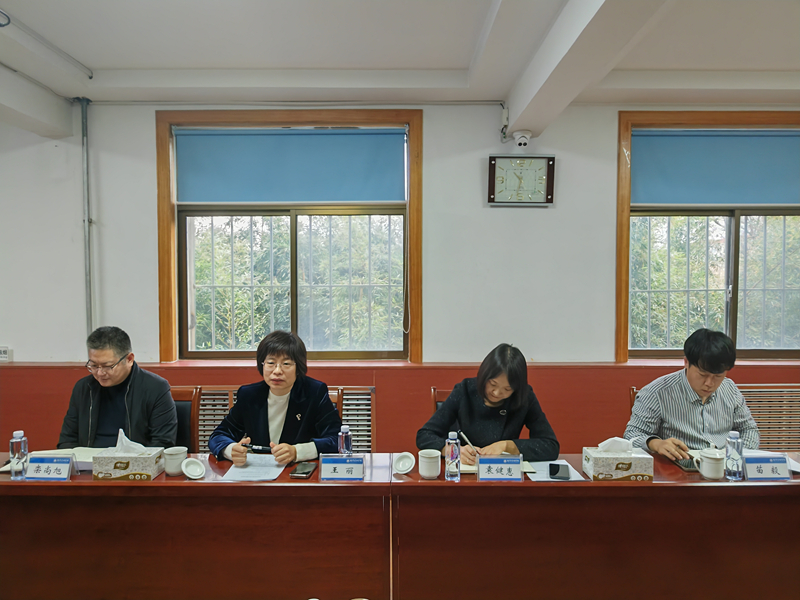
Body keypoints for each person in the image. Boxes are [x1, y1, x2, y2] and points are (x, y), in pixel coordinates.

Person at [624, 328, 760, 461]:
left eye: (718, 376)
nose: (709, 383)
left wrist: (735, 457)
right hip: (678, 467)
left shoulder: (730, 389)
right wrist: (656, 444)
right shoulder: (656, 393)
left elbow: (749, 430)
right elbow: (631, 436)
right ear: (686, 362)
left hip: (724, 466)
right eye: (702, 375)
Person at [208, 330, 341, 465]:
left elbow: (337, 440)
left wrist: (297, 451)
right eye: (271, 363)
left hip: (299, 471)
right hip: (260, 471)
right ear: (262, 365)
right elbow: (218, 436)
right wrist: (231, 450)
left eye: (286, 364)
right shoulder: (249, 395)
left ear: (298, 367)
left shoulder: (314, 392)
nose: (277, 371)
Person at [416, 343, 559, 464]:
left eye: (507, 389)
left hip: (504, 476)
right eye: (493, 384)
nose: (497, 393)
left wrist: (508, 446)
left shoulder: (524, 397)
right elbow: (424, 435)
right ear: (484, 375)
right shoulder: (464, 390)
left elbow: (550, 445)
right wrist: (452, 450)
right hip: (465, 473)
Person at [58, 326, 177, 449]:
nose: (100, 373)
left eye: (107, 366)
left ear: (129, 359)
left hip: (136, 460)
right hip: (88, 460)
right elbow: (67, 440)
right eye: (93, 365)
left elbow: (162, 443)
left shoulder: (155, 388)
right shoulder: (84, 388)